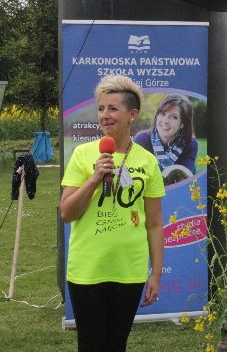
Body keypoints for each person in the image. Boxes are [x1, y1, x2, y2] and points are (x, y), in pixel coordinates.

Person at [60, 75, 165, 351]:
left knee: (117, 344)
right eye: (101, 109)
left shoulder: (148, 161)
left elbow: (154, 224)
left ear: (132, 115)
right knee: (91, 344)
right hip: (88, 269)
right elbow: (67, 213)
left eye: (113, 108)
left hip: (129, 269)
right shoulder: (82, 154)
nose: (105, 115)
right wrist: (95, 178)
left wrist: (155, 275)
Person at [134, 93, 198, 182]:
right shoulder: (141, 140)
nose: (165, 121)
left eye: (174, 117)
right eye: (162, 114)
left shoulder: (190, 143)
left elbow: (188, 177)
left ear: (183, 123)